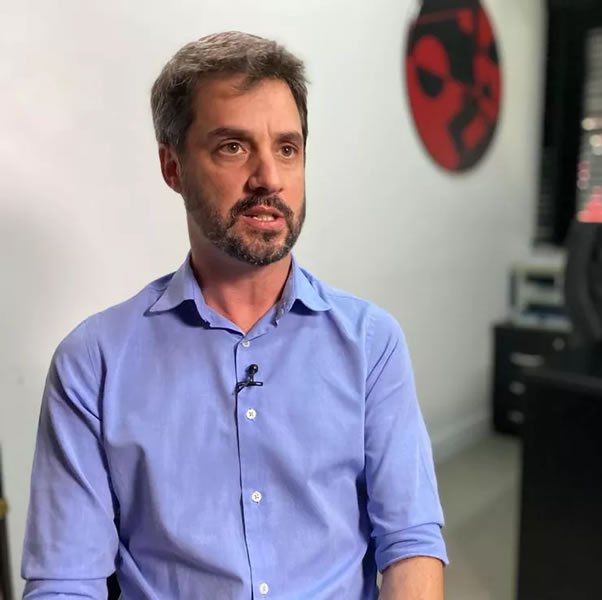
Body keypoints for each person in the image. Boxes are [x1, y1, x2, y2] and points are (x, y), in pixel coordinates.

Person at [21, 31, 447, 599]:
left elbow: (411, 542)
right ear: (172, 167)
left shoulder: (371, 343)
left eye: (287, 148)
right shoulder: (93, 362)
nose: (269, 177)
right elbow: (66, 579)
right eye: (233, 147)